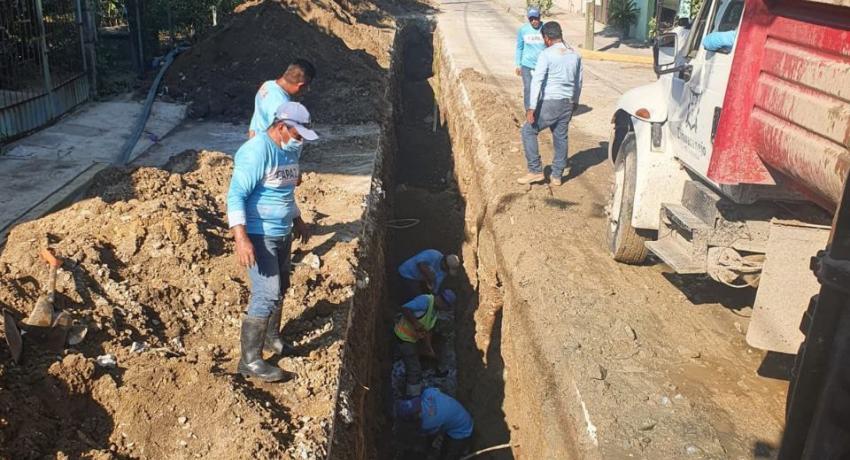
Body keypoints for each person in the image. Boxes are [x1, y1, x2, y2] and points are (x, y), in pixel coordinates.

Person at [227, 101, 319, 382]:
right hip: (259, 233)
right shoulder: (256, 152)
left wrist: (298, 218)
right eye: (297, 134)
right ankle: (250, 361)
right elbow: (235, 196)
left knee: (282, 287)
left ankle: (271, 338)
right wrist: (241, 239)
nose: (300, 140)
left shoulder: (291, 150)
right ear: (281, 127)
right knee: (267, 292)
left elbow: (284, 191)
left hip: (282, 231)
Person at [518, 21, 583, 187]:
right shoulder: (575, 55)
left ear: (546, 38)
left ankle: (535, 170)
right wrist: (575, 101)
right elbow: (578, 82)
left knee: (528, 130)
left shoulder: (546, 55)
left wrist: (531, 107)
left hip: (550, 102)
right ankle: (556, 175)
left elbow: (537, 81)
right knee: (560, 135)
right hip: (567, 102)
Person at [395, 289, 458, 397]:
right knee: (414, 370)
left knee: (418, 358)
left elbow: (428, 330)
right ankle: (413, 398)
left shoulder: (435, 310)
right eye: (446, 307)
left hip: (413, 339)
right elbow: (405, 308)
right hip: (404, 337)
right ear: (442, 302)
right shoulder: (425, 301)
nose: (445, 310)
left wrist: (428, 348)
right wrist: (416, 324)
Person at [396, 387, 474, 460]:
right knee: (443, 446)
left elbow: (432, 434)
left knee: (449, 456)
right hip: (460, 414)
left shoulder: (427, 422)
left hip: (461, 430)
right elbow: (437, 390)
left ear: (414, 416)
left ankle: (463, 449)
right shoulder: (428, 392)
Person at [247, 59, 316, 139]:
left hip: (256, 139)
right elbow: (280, 135)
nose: (308, 90)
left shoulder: (268, 85)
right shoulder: (281, 105)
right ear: (300, 86)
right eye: (307, 86)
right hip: (267, 148)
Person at [515, 7, 546, 110]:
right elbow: (519, 48)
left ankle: (540, 111)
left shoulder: (545, 29)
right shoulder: (523, 30)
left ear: (540, 17)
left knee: (542, 89)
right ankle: (528, 111)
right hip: (527, 65)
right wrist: (518, 64)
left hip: (542, 66)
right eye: (531, 19)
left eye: (536, 18)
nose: (534, 21)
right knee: (528, 88)